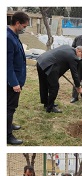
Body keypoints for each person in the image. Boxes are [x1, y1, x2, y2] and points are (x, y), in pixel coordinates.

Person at [36, 45, 82, 113]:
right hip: (50, 65)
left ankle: (46, 103)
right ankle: (50, 107)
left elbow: (59, 58)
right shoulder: (73, 56)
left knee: (44, 84)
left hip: (41, 61)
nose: (81, 58)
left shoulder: (67, 47)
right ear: (79, 51)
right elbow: (74, 73)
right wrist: (78, 86)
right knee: (54, 87)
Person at [7, 11, 30, 145]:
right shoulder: (8, 38)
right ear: (17, 23)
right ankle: (7, 135)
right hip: (11, 82)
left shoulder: (13, 35)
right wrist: (14, 82)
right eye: (24, 26)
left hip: (16, 78)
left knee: (10, 107)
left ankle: (8, 125)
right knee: (9, 107)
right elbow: (7, 64)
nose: (24, 29)